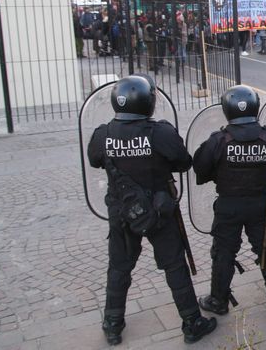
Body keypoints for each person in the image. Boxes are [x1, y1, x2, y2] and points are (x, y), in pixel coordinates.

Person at [87, 76, 216, 345]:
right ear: (148, 102)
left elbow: (94, 159)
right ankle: (192, 322)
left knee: (119, 267)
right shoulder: (160, 132)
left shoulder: (103, 134)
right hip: (160, 212)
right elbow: (183, 163)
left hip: (123, 211)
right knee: (174, 266)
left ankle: (112, 323)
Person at [193, 86, 266, 315]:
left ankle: (218, 300)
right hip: (259, 203)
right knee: (265, 247)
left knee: (224, 251)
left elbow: (200, 168)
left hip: (229, 204)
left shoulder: (218, 140)